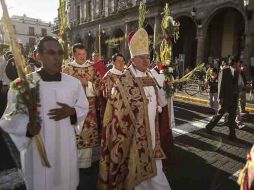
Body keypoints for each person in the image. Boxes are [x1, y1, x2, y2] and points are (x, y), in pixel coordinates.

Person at [0, 36, 89, 190]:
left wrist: (72, 112)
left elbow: (83, 107)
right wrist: (27, 128)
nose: (57, 58)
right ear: (38, 56)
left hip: (65, 150)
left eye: (60, 53)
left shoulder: (73, 84)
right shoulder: (23, 85)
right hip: (37, 152)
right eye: (51, 53)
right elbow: (9, 118)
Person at [98, 28, 172, 190]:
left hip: (152, 135)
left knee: (154, 171)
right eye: (142, 58)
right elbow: (116, 113)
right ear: (133, 58)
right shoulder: (123, 81)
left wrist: (164, 92)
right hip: (132, 137)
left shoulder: (151, 76)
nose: (147, 61)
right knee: (136, 173)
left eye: (148, 57)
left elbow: (161, 103)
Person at [62, 43, 101, 189]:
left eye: (84, 54)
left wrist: (88, 83)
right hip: (72, 109)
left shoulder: (92, 68)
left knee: (87, 135)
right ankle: (72, 166)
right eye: (79, 55)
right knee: (73, 135)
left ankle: (85, 165)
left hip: (89, 109)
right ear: (73, 54)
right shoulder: (66, 69)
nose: (82, 57)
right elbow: (61, 89)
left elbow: (99, 87)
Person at [205, 57, 240, 140]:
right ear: (234, 63)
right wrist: (220, 97)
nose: (239, 64)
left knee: (232, 117)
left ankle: (232, 135)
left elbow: (235, 84)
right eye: (238, 63)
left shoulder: (237, 71)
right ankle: (209, 127)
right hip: (225, 98)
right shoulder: (224, 70)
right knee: (220, 114)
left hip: (234, 98)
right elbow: (220, 84)